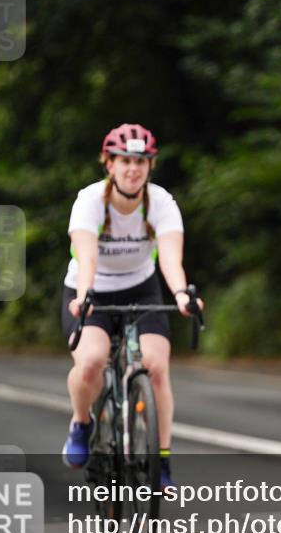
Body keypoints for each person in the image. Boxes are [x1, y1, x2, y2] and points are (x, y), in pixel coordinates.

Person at [60, 123, 201, 488]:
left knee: (156, 367)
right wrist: (84, 296)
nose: (133, 168)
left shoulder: (161, 203)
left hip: (141, 289)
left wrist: (182, 294)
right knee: (91, 362)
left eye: (140, 161)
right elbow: (87, 257)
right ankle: (82, 422)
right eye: (125, 160)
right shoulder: (90, 201)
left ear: (150, 166)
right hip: (91, 290)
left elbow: (169, 258)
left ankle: (161, 460)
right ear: (109, 164)